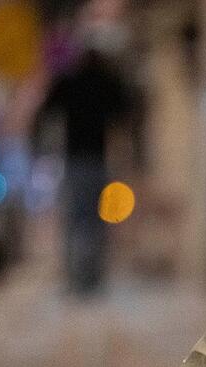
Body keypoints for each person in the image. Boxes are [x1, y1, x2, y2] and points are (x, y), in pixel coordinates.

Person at [38, 47, 130, 295]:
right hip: (96, 160)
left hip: (75, 160)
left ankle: (74, 277)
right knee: (95, 220)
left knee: (75, 219)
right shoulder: (105, 83)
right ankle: (92, 278)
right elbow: (124, 110)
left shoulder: (70, 83)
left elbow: (46, 109)